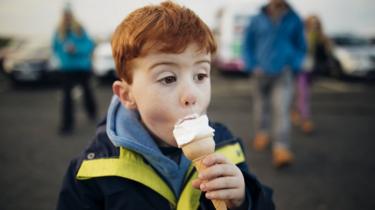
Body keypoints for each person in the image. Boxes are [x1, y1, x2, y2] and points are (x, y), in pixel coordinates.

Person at [57, 1, 275, 210]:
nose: (191, 95)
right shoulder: (93, 171)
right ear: (126, 95)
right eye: (168, 78)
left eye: (200, 75)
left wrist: (244, 200)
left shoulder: (226, 146)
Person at [242, 0, 306, 167]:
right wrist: (252, 65)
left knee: (281, 108)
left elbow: (301, 46)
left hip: (283, 73)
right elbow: (247, 45)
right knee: (261, 106)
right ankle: (262, 133)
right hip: (259, 73)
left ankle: (281, 147)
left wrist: (293, 64)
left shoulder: (294, 19)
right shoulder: (256, 19)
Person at [52, 4, 97, 135]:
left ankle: (92, 112)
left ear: (72, 15)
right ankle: (67, 125)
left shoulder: (79, 28)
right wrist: (63, 57)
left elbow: (89, 45)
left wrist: (76, 50)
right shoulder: (58, 31)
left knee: (87, 91)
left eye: (68, 14)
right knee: (67, 97)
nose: (66, 16)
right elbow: (55, 47)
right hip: (66, 69)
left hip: (82, 67)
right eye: (64, 14)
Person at [291, 15, 332, 134]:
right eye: (311, 22)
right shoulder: (301, 36)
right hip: (301, 69)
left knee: (303, 94)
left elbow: (324, 54)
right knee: (304, 94)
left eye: (316, 23)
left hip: (313, 70)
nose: (313, 25)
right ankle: (306, 119)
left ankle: (296, 112)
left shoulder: (321, 38)